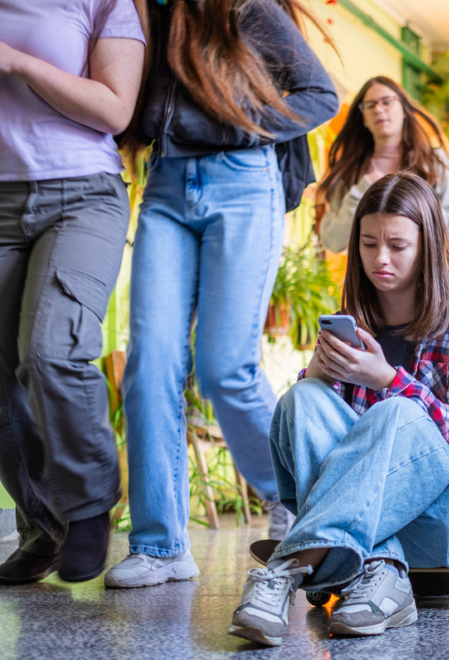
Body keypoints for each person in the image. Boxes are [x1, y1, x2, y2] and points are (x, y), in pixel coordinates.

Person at [105, 0, 338, 589]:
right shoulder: (144, 15)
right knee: (150, 364)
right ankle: (160, 546)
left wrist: (235, 123)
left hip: (242, 182)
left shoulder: (246, 9)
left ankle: (298, 504)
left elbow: (319, 96)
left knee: (223, 368)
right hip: (165, 187)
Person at [227, 172, 449, 646]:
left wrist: (389, 381)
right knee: (302, 398)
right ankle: (383, 572)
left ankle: (286, 571)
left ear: (429, 247)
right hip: (370, 524)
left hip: (446, 521)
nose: (380, 259)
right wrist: (316, 373)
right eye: (369, 244)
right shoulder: (353, 328)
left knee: (395, 413)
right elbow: (307, 442)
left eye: (397, 245)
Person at [0, 0, 145, 585]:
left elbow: (114, 109)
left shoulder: (102, 3)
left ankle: (87, 508)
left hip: (81, 194)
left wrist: (16, 62)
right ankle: (43, 526)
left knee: (50, 349)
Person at [317, 76, 449, 253]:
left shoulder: (433, 161)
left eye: (387, 102)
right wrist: (360, 192)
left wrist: (416, 205)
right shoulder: (350, 170)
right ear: (364, 118)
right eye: (370, 105)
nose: (379, 109)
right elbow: (332, 241)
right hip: (372, 276)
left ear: (404, 109)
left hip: (426, 276)